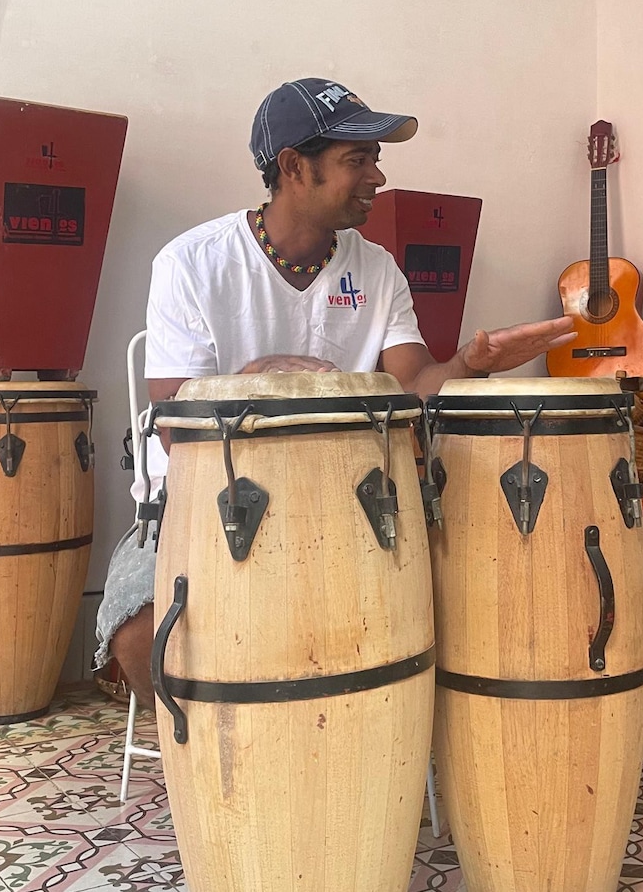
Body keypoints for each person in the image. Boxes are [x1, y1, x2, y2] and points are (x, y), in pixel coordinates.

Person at [94, 77, 575, 700]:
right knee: (138, 631)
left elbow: (415, 386)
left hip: (350, 501)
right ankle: (212, 769)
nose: (377, 176)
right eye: (358, 160)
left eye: (375, 158)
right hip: (215, 502)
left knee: (474, 583)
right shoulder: (193, 262)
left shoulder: (376, 267)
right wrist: (259, 376)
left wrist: (473, 361)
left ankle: (369, 744)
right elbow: (173, 418)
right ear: (294, 167)